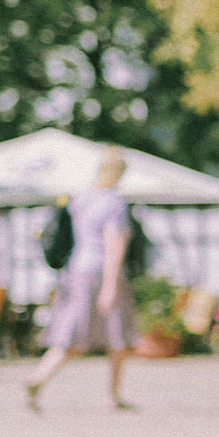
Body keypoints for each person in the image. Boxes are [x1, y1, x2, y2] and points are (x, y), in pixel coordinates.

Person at [27, 147, 140, 412]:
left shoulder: (80, 200)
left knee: (71, 331)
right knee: (117, 335)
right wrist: (111, 286)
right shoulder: (115, 203)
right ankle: (113, 395)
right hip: (100, 272)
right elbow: (115, 245)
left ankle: (38, 377)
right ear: (120, 173)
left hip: (75, 270)